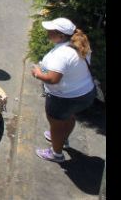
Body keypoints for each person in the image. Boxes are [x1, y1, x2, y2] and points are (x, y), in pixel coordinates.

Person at [31, 18, 97, 163]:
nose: (47, 33)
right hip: (84, 94)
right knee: (68, 117)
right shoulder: (79, 45)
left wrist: (37, 72)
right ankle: (62, 139)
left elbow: (53, 79)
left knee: (56, 124)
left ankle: (56, 153)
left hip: (64, 98)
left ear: (61, 35)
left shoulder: (62, 54)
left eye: (51, 31)